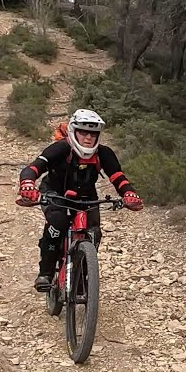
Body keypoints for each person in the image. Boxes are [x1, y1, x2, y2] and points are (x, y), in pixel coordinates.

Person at [16, 108, 143, 291]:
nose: (88, 137)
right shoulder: (61, 148)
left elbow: (117, 177)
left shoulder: (104, 153)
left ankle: (82, 278)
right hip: (54, 192)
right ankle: (46, 273)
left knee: (94, 233)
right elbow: (34, 167)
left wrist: (129, 194)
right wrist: (27, 184)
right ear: (73, 131)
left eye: (93, 133)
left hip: (87, 197)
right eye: (83, 132)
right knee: (57, 225)